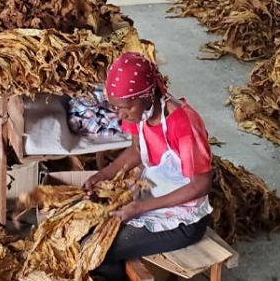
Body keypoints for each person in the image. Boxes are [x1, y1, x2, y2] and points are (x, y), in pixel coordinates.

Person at [83, 52, 213, 280]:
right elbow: (137, 150)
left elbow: (201, 184)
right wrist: (104, 174)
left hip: (182, 218)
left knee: (97, 250)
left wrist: (142, 208)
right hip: (148, 197)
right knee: (87, 231)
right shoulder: (140, 113)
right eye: (115, 108)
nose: (121, 115)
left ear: (147, 95)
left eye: (125, 108)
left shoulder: (182, 122)